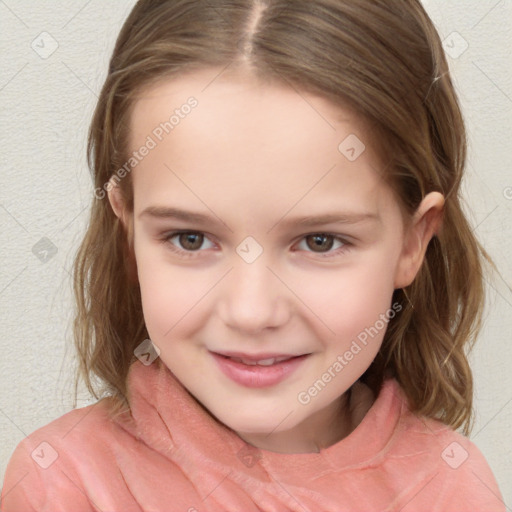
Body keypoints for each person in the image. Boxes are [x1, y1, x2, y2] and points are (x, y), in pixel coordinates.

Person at [1, 0, 506, 510]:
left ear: (413, 241)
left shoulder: (451, 488)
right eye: (190, 239)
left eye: (319, 241)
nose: (251, 311)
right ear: (127, 233)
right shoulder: (66, 484)